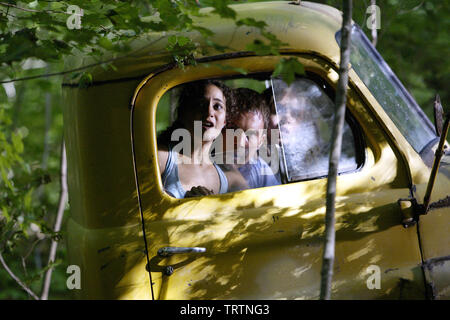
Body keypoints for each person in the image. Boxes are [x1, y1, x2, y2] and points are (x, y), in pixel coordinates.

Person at [157, 80, 247, 198]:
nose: (209, 111)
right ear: (183, 113)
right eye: (200, 104)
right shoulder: (161, 158)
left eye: (217, 106)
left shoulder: (231, 178)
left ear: (225, 120)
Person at [222, 88, 280, 189]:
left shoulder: (261, 172)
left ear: (260, 142)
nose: (240, 143)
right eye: (232, 131)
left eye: (249, 135)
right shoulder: (199, 163)